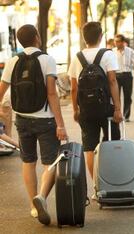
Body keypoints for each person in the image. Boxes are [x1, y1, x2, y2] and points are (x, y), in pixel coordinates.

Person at [0, 24, 67, 225]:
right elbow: (52, 93)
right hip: (45, 119)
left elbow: (1, 90)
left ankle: (33, 206)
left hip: (22, 118)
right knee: (51, 162)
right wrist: (60, 124)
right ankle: (42, 197)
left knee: (28, 162)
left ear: (20, 41)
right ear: (37, 37)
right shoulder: (47, 60)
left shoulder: (12, 61)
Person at [68, 22, 123, 180]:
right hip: (106, 108)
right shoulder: (108, 54)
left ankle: (96, 185)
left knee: (90, 147)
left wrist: (75, 110)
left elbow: (74, 88)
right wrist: (117, 109)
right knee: (111, 142)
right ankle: (110, 181)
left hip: (85, 109)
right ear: (101, 36)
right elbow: (112, 81)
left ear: (84, 38)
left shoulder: (77, 57)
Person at [114, 34, 134, 122]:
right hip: (116, 76)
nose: (116, 43)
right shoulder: (112, 52)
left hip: (127, 75)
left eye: (118, 41)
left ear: (122, 42)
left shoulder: (129, 51)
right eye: (115, 41)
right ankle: (118, 114)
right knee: (116, 96)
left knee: (127, 96)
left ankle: (126, 115)